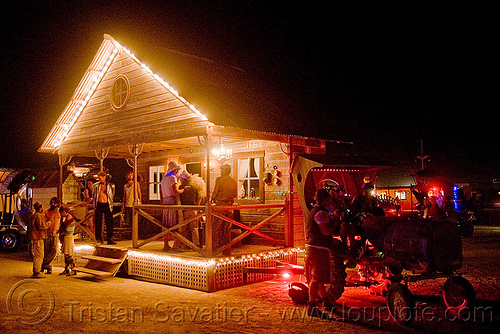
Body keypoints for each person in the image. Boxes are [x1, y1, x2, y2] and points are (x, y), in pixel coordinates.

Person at [305, 188, 343, 318]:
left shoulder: (314, 211)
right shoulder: (320, 213)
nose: (330, 201)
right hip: (318, 248)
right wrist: (336, 220)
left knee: (319, 277)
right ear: (325, 199)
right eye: (329, 199)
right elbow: (326, 231)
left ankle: (326, 301)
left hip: (314, 247)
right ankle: (311, 307)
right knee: (316, 279)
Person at [160, 161, 186, 251]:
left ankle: (166, 244)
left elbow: (160, 193)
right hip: (171, 201)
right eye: (177, 170)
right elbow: (176, 191)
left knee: (166, 222)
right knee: (174, 222)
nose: (177, 172)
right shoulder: (173, 178)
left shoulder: (163, 180)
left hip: (165, 201)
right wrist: (183, 190)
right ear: (174, 170)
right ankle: (176, 245)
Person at [211, 164, 237, 255]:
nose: (220, 171)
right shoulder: (233, 181)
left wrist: (211, 199)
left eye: (221, 170)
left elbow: (215, 193)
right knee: (227, 229)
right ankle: (227, 250)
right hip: (230, 207)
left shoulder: (219, 179)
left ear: (225, 171)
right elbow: (234, 195)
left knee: (216, 227)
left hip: (220, 205)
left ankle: (214, 249)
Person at [93, 171, 116, 244]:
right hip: (99, 204)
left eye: (101, 177)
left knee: (109, 222)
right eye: (99, 177)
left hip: (107, 204)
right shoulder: (96, 186)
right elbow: (94, 196)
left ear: (105, 177)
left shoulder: (110, 185)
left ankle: (110, 239)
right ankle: (98, 239)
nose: (100, 179)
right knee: (98, 222)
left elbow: (112, 195)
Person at [30, 202, 52, 277]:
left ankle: (37, 270)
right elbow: (41, 226)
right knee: (39, 255)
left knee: (38, 254)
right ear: (39, 208)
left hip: (36, 237)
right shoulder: (38, 216)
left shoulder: (34, 216)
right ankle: (36, 272)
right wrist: (49, 223)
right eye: (42, 207)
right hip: (38, 237)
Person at [179, 171, 200, 246]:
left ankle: (185, 244)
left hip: (184, 210)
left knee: (184, 228)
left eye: (180, 179)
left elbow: (179, 198)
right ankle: (196, 244)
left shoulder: (181, 188)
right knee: (194, 228)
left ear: (183, 179)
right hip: (193, 209)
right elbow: (197, 199)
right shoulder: (195, 188)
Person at [42, 197, 61, 274]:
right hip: (47, 233)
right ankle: (48, 268)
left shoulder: (58, 213)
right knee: (46, 251)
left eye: (54, 203)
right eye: (52, 203)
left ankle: (44, 264)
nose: (53, 204)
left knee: (54, 250)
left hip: (55, 233)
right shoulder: (46, 212)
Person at [59, 205, 77, 275]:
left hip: (68, 237)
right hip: (66, 237)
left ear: (64, 212)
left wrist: (62, 232)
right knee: (66, 254)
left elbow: (69, 230)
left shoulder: (70, 218)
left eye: (61, 213)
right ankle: (66, 269)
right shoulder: (67, 218)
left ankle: (73, 269)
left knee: (68, 254)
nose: (61, 214)